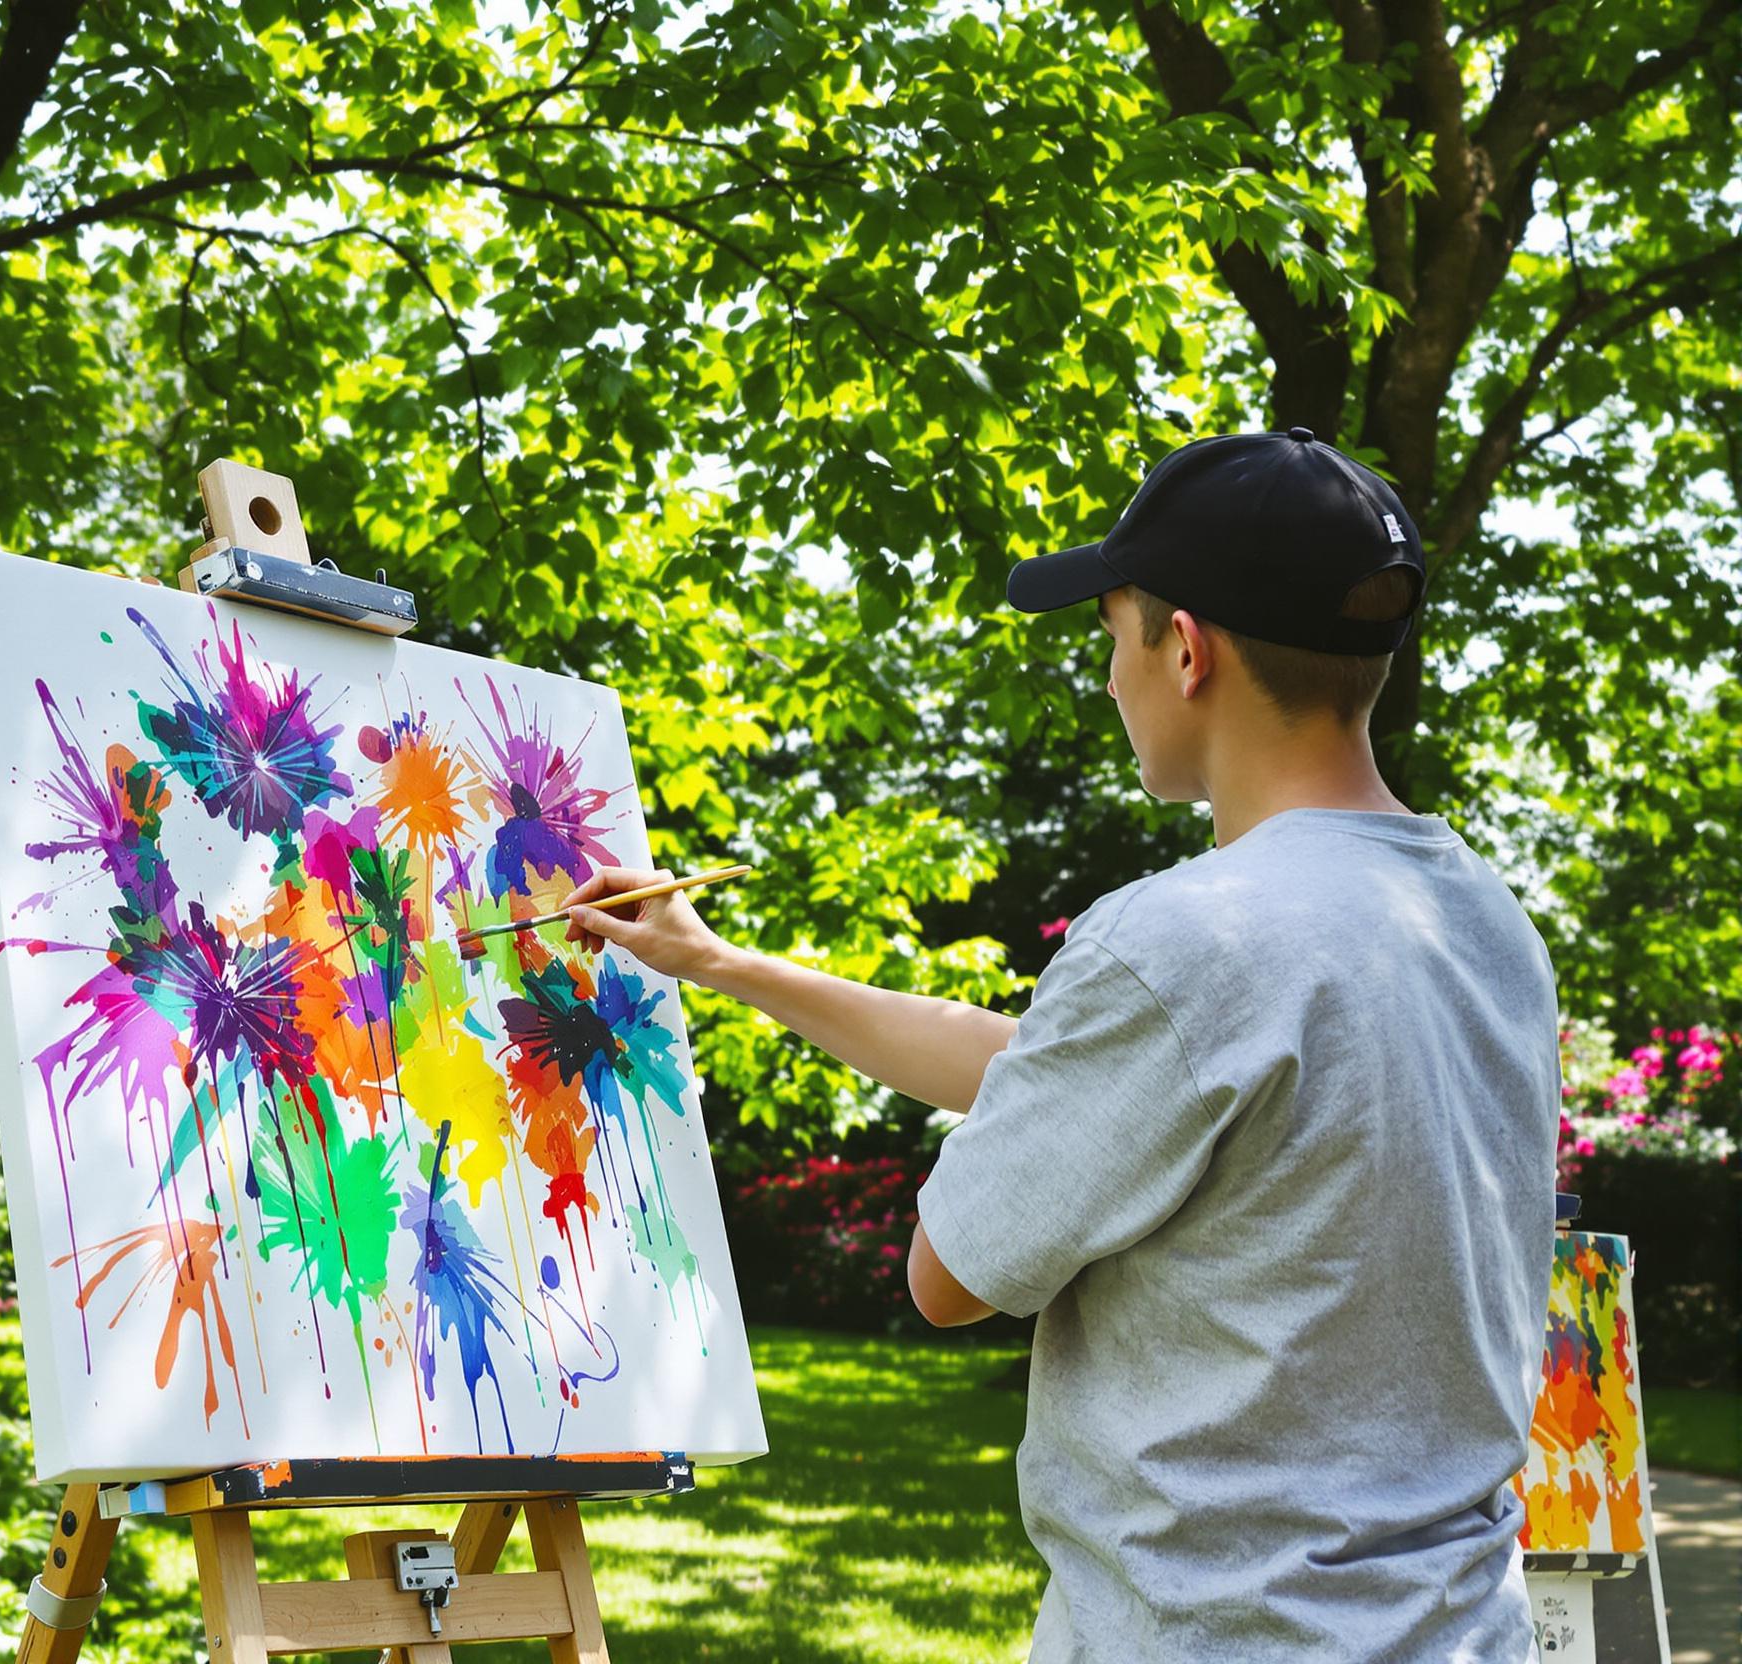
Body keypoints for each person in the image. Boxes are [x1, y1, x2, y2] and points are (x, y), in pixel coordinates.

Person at [563, 428, 1557, 1663]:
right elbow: (1077, 1069)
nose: (1107, 678)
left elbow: (951, 1270)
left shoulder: (1188, 940)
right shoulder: (1477, 917)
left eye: (1111, 637)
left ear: (1185, 648)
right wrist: (720, 963)